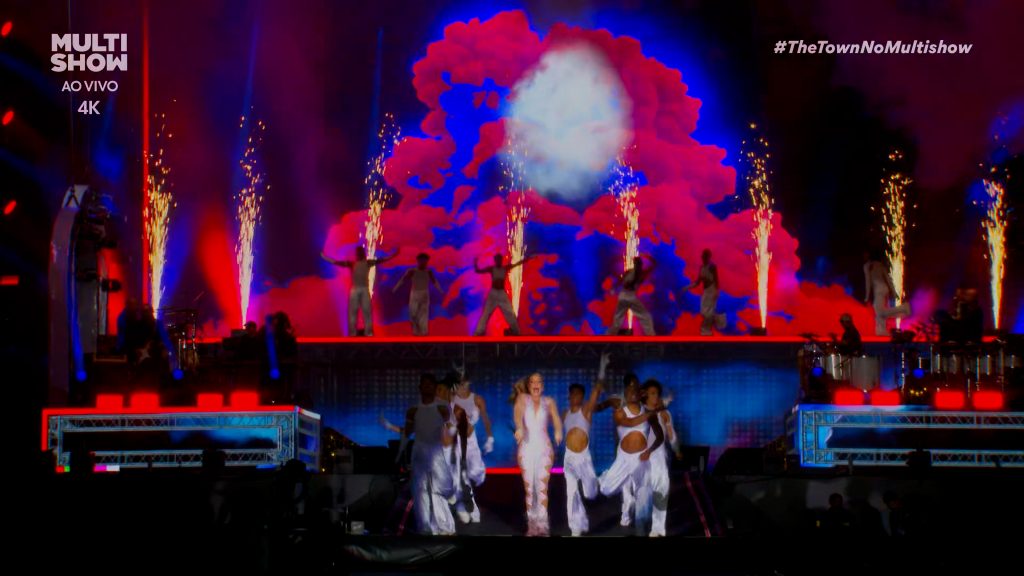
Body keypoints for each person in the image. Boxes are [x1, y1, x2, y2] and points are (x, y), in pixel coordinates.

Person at [598, 376, 664, 536]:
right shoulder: (620, 411)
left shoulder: (648, 412)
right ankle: (627, 498)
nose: (633, 393)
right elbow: (629, 423)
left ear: (641, 393)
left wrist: (649, 451)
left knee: (643, 493)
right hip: (623, 457)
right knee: (605, 489)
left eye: (636, 390)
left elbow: (660, 436)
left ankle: (639, 524)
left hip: (641, 457)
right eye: (629, 390)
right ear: (625, 392)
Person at [398, 373, 456, 535]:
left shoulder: (443, 407)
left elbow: (451, 430)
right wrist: (400, 452)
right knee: (421, 490)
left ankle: (444, 526)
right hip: (419, 452)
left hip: (436, 451)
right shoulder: (413, 410)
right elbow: (407, 432)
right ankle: (425, 527)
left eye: (431, 384)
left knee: (440, 487)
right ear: (420, 387)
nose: (427, 387)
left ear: (434, 387)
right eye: (425, 384)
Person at [562, 353, 610, 536]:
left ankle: (599, 480)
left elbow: (597, 390)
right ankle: (576, 527)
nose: (576, 396)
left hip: (583, 457)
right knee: (571, 493)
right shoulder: (565, 413)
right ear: (570, 395)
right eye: (574, 393)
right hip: (569, 458)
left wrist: (602, 366)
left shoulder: (586, 410)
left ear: (582, 397)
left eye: (579, 394)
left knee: (590, 494)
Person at [513, 372, 563, 536]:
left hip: (544, 449)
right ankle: (532, 525)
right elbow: (518, 415)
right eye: (532, 382)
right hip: (527, 448)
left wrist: (558, 431)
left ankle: (542, 526)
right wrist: (519, 428)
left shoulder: (549, 401)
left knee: (541, 488)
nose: (536, 385)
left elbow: (556, 419)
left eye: (539, 382)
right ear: (528, 386)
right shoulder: (523, 399)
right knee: (530, 489)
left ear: (542, 385)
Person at [321, 246, 398, 336]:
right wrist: (325, 257)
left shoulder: (366, 262)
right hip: (356, 289)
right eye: (358, 253)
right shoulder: (354, 263)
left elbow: (382, 260)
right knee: (355, 312)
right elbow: (337, 262)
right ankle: (355, 333)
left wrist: (393, 255)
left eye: (360, 253)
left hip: (363, 289)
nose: (359, 254)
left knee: (365, 312)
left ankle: (367, 333)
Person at [641, 379, 682, 537]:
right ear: (645, 395)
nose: (656, 397)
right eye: (652, 394)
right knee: (642, 494)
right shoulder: (639, 411)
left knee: (661, 489)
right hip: (639, 456)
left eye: (657, 394)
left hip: (658, 456)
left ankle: (657, 529)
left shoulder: (664, 414)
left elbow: (671, 434)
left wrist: (676, 449)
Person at [451, 373, 493, 524]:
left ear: (468, 382)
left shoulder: (477, 399)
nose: (461, 386)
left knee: (475, 472)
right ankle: (467, 506)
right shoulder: (451, 399)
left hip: (471, 442)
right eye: (458, 383)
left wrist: (490, 438)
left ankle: (465, 501)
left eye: (464, 382)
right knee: (460, 476)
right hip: (455, 441)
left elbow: (485, 419)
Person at [473, 253, 527, 336]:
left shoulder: (504, 268)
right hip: (493, 293)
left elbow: (517, 264)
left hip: (502, 293)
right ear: (495, 261)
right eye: (497, 260)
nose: (499, 261)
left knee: (509, 312)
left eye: (500, 259)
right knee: (486, 313)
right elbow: (478, 271)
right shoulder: (492, 269)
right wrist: (475, 263)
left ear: (501, 260)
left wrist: (527, 259)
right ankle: (479, 332)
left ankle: (516, 331)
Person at [393, 253, 443, 336]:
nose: (423, 263)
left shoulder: (429, 272)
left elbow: (434, 282)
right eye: (422, 261)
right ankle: (416, 331)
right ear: (418, 261)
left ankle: (423, 332)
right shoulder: (412, 271)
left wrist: (440, 291)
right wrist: (395, 288)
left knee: (423, 313)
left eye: (425, 261)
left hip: (424, 294)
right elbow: (403, 279)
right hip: (415, 294)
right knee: (413, 313)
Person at [863, 249, 910, 336]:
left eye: (865, 254)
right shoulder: (880, 265)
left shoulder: (867, 266)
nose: (864, 256)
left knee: (880, 312)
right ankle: (882, 330)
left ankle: (903, 308)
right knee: (880, 312)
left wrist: (867, 297)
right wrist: (893, 292)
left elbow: (868, 282)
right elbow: (888, 279)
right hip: (885, 290)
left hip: (879, 290)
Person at [607, 255, 656, 335]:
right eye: (637, 263)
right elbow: (621, 280)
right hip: (628, 296)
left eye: (638, 263)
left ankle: (609, 335)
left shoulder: (637, 273)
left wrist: (613, 288)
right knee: (645, 317)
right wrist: (614, 288)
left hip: (625, 296)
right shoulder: (635, 273)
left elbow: (654, 264)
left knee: (618, 319)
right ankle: (651, 336)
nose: (638, 265)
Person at [686, 249, 727, 336]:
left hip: (712, 290)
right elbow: (698, 282)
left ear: (708, 257)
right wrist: (688, 287)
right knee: (704, 311)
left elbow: (716, 279)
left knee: (708, 311)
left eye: (705, 256)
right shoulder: (702, 267)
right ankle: (720, 320)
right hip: (706, 291)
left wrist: (717, 291)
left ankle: (706, 331)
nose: (703, 258)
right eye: (703, 256)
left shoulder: (712, 267)